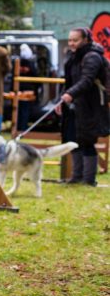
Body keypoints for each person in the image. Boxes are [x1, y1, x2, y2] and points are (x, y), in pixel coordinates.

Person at [56, 27, 109, 186]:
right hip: (75, 105)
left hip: (90, 105)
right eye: (70, 40)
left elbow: (86, 80)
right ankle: (76, 177)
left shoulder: (92, 56)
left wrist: (70, 94)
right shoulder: (74, 57)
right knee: (73, 138)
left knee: (87, 141)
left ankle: (88, 180)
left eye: (75, 40)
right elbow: (71, 81)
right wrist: (61, 100)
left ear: (85, 40)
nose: (72, 43)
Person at [15, 44, 39, 132]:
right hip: (27, 90)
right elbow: (36, 77)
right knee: (24, 110)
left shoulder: (17, 63)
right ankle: (23, 127)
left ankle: (19, 127)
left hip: (20, 89)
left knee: (19, 109)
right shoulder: (31, 64)